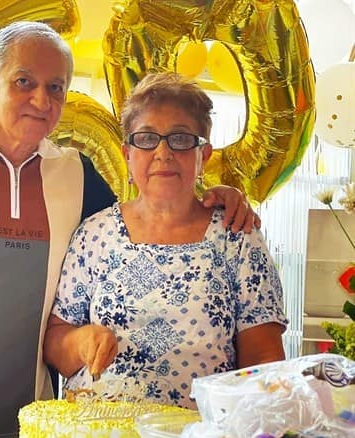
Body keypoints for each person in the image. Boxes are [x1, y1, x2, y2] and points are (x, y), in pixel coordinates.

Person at [0, 23, 259, 438]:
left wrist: (216, 196)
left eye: (56, 87)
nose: (41, 100)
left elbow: (150, 209)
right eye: (23, 81)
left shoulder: (77, 175)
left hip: (33, 433)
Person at [43, 72, 287, 410]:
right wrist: (80, 342)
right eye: (146, 138)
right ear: (128, 154)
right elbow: (56, 341)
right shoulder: (94, 234)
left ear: (204, 154)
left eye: (181, 139)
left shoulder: (238, 237)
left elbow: (264, 361)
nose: (163, 152)